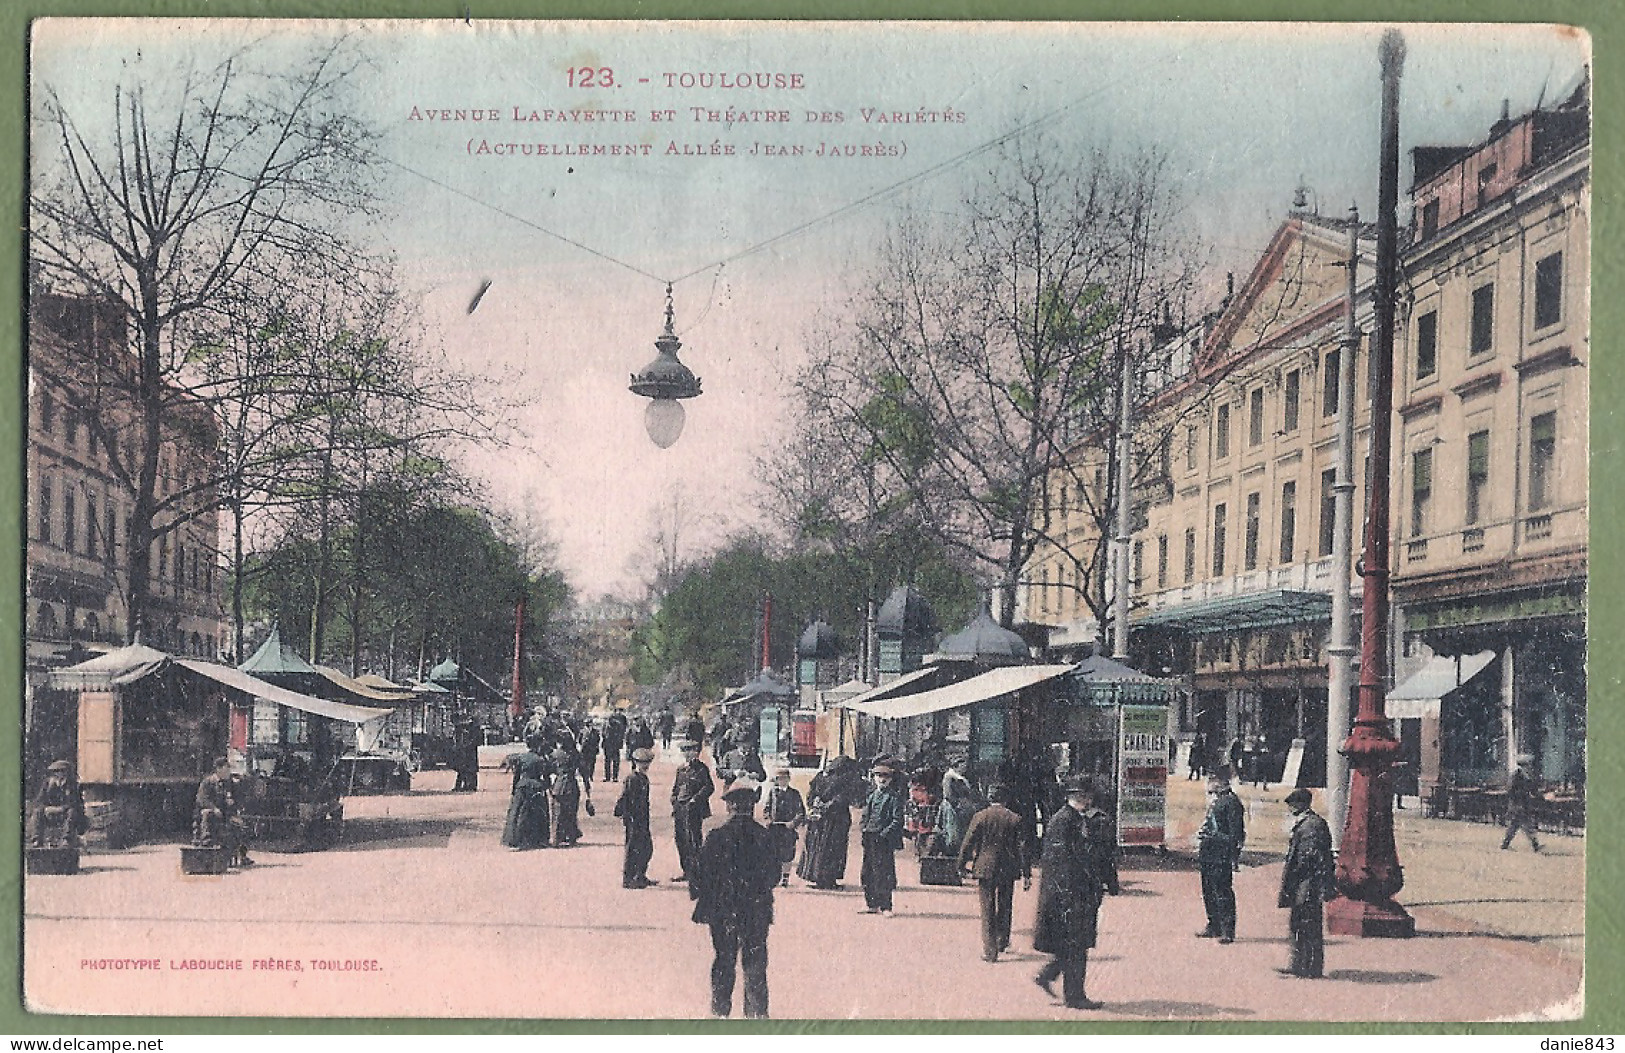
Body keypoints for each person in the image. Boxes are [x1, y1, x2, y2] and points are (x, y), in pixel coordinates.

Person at [690, 775, 780, 1019]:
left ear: (729, 806)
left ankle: (720, 1012)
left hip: (723, 911)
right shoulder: (765, 836)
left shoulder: (716, 836)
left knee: (723, 960)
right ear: (753, 806)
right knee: (755, 962)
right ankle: (757, 1015)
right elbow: (774, 876)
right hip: (756, 910)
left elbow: (699, 875)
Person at [1032, 777, 1109, 1010]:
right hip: (1069, 896)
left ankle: (1049, 975)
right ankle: (1075, 996)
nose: (1089, 800)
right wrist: (1070, 896)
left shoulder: (1070, 819)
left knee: (1073, 944)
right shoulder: (1065, 821)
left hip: (1071, 894)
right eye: (1086, 796)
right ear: (1080, 797)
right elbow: (1061, 863)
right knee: (1076, 946)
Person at [957, 784, 1031, 963]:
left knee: (987, 908)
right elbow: (1023, 848)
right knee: (1005, 905)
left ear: (989, 798)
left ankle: (990, 951)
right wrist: (1026, 873)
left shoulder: (980, 817)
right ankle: (1002, 941)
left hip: (985, 867)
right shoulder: (1015, 819)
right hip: (1008, 867)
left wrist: (961, 864)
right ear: (1006, 800)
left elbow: (968, 842)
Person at [1277, 788, 1336, 979]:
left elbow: (1309, 857)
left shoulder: (1311, 825)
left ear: (1302, 805)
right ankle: (1300, 964)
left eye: (1293, 804)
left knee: (1307, 925)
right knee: (1300, 924)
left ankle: (1308, 966)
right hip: (1305, 883)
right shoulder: (1309, 823)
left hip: (1308, 884)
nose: (1290, 808)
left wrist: (1294, 875)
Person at [796, 756, 861, 890]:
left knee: (817, 848)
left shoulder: (821, 776)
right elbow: (843, 798)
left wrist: (815, 805)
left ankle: (816, 877)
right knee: (833, 850)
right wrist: (826, 806)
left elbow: (811, 795)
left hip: (819, 818)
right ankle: (829, 880)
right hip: (837, 819)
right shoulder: (846, 778)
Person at [1196, 770, 1246, 943]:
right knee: (1208, 890)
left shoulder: (1232, 803)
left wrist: (1215, 838)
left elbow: (1235, 834)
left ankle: (1227, 929)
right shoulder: (1217, 801)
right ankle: (1213, 924)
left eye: (1212, 780)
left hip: (1221, 854)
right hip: (1208, 853)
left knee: (1222, 891)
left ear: (1221, 782)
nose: (1209, 783)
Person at [858, 761, 905, 915]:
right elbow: (865, 815)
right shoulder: (872, 796)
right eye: (878, 776)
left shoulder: (894, 798)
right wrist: (863, 828)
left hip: (883, 840)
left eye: (885, 777)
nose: (882, 779)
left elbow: (897, 820)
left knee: (884, 873)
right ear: (874, 778)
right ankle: (871, 904)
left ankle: (886, 906)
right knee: (868, 872)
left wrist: (884, 834)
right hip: (870, 837)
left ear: (890, 779)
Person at [194, 757, 252, 866]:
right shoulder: (208, 782)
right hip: (212, 813)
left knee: (242, 824)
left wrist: (234, 804)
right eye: (226, 768)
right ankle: (207, 846)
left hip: (227, 814)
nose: (228, 771)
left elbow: (239, 799)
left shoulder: (231, 783)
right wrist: (213, 808)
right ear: (219, 769)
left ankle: (242, 855)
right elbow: (202, 799)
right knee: (207, 814)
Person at [671, 739, 715, 882]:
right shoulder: (681, 769)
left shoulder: (701, 769)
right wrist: (673, 798)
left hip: (694, 810)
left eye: (690, 751)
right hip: (680, 809)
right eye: (684, 751)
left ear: (696, 752)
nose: (687, 754)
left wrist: (696, 799)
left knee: (693, 840)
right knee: (681, 840)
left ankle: (696, 871)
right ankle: (686, 871)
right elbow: (677, 786)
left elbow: (709, 787)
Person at [500, 737, 553, 850]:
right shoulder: (541, 759)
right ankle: (538, 839)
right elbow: (546, 776)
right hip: (536, 786)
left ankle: (516, 839)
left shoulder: (522, 757)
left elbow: (517, 776)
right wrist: (546, 787)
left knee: (518, 813)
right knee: (538, 813)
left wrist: (514, 790)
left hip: (522, 785)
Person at [615, 748, 657, 888]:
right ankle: (628, 879)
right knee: (632, 848)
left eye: (647, 763)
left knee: (646, 847)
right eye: (641, 763)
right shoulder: (631, 778)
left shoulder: (644, 778)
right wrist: (625, 816)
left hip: (643, 818)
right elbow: (624, 798)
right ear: (635, 763)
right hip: (633, 818)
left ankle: (640, 875)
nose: (645, 766)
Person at [761, 767, 806, 888]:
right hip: (774, 829)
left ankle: (785, 877)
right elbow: (766, 809)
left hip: (788, 829)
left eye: (784, 779)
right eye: (779, 779)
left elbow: (801, 812)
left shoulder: (794, 793)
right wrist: (768, 819)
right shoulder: (773, 793)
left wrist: (793, 822)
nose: (782, 781)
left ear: (789, 779)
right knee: (773, 853)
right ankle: (774, 876)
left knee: (788, 854)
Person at [29, 759, 89, 848]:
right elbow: (39, 800)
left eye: (62, 771)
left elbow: (76, 803)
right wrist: (46, 808)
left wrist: (61, 808)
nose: (59, 774)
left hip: (67, 812)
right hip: (50, 812)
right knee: (37, 812)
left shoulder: (74, 785)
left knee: (72, 812)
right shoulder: (48, 784)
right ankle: (36, 839)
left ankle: (67, 839)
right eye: (56, 771)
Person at [1501, 756, 1543, 852]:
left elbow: (1532, 789)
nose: (1530, 767)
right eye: (1528, 765)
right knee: (1525, 825)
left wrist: (1539, 795)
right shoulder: (1516, 775)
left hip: (1523, 804)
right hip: (1518, 804)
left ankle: (1505, 844)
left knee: (1515, 825)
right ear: (1524, 765)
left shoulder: (1526, 775)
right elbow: (1510, 789)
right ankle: (1535, 845)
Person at [550, 744, 588, 847]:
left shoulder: (555, 754)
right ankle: (571, 837)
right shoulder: (576, 754)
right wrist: (588, 792)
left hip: (558, 785)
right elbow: (584, 772)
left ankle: (556, 838)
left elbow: (548, 770)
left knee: (557, 813)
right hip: (572, 785)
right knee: (571, 812)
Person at [602, 712, 628, 782]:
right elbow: (603, 734)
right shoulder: (606, 725)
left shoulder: (617, 726)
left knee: (613, 761)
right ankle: (609, 777)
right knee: (609, 761)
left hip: (613, 745)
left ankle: (613, 777)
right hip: (609, 745)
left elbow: (620, 735)